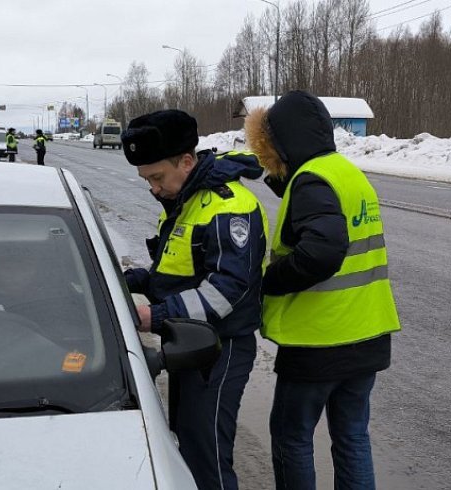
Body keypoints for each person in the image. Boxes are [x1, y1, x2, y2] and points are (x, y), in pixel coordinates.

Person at [244, 90, 402, 490]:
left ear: (282, 142)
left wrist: (268, 282)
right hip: (367, 334)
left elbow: (322, 252)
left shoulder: (312, 182)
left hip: (319, 340)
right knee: (351, 437)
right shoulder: (347, 173)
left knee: (291, 435)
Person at [120, 109, 268, 490]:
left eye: (157, 177)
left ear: (186, 162)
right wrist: (123, 280)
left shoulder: (228, 205)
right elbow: (171, 275)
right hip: (187, 344)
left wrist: (153, 316)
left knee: (207, 458)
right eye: (146, 180)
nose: (153, 188)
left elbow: (226, 291)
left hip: (220, 349)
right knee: (185, 445)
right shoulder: (186, 199)